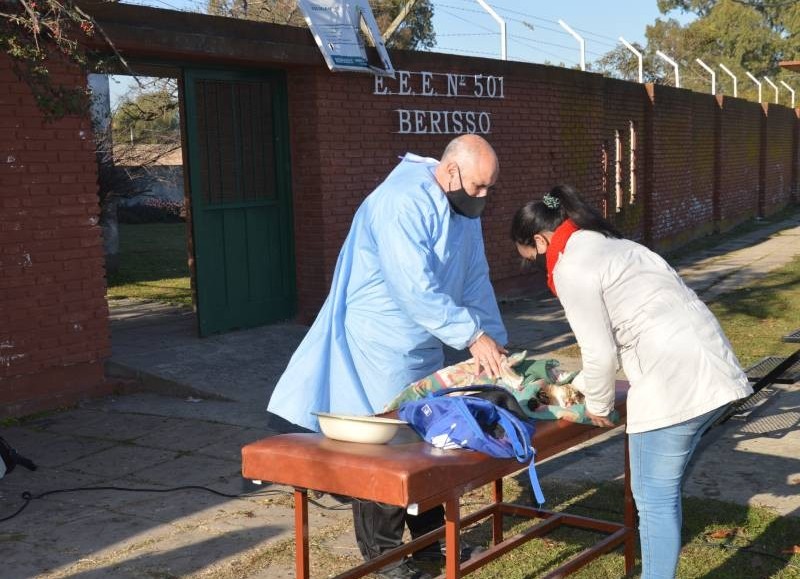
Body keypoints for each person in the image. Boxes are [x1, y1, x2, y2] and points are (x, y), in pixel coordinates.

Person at [268, 134, 509, 579]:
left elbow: (475, 279)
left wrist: (495, 343)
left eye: (488, 188)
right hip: (380, 338)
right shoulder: (400, 201)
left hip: (422, 338)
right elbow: (412, 287)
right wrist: (471, 336)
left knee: (429, 441)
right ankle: (384, 558)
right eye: (478, 186)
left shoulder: (463, 207)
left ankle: (431, 545)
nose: (483, 197)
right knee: (385, 446)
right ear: (451, 170)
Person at [510, 184, 753, 579]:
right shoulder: (617, 246)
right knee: (662, 492)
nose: (540, 266)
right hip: (714, 370)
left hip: (674, 381)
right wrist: (584, 382)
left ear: (541, 239)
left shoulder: (572, 264)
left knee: (653, 498)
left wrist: (598, 406)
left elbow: (600, 350)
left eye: (534, 258)